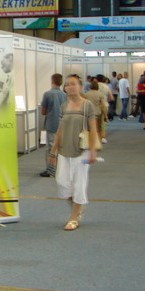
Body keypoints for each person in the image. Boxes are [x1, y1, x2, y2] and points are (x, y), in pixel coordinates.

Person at [48, 74, 98, 231]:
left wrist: (93, 151)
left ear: (80, 86)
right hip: (64, 150)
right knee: (62, 182)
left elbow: (93, 129)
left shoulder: (87, 105)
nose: (70, 87)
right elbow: (60, 129)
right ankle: (78, 206)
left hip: (81, 150)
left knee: (79, 183)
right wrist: (53, 151)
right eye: (67, 84)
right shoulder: (64, 106)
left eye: (73, 84)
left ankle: (73, 217)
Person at [39, 73, 66, 178]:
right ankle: (60, 168)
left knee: (50, 147)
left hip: (51, 123)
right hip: (62, 124)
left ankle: (51, 170)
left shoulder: (47, 94)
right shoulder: (64, 95)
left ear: (52, 81)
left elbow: (43, 111)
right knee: (61, 147)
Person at [83, 79, 107, 145]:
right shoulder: (100, 94)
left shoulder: (86, 95)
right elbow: (103, 106)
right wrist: (105, 115)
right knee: (98, 128)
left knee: (89, 128)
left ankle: (90, 142)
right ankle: (98, 142)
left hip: (88, 113)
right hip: (98, 113)